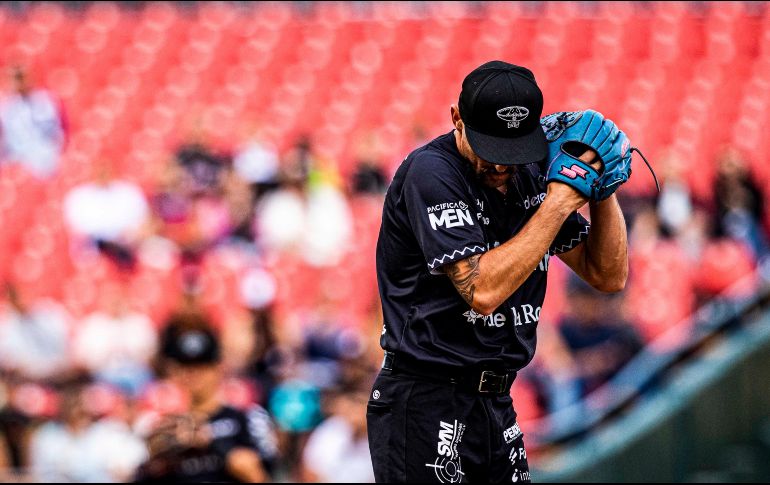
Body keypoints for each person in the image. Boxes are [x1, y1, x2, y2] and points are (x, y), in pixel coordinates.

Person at [370, 61, 629, 483]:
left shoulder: (527, 172)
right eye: (490, 149)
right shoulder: (431, 173)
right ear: (457, 118)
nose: (501, 166)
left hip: (495, 402)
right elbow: (482, 290)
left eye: (512, 151)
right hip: (425, 398)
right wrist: (561, 202)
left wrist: (601, 188)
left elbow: (607, 275)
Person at [135, 325, 278, 483]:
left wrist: (210, 441)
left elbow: (258, 476)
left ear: (218, 368)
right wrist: (156, 465)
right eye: (186, 367)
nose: (193, 374)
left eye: (201, 366)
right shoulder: (170, 428)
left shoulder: (246, 417)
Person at [0, 66, 65, 178]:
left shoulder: (44, 100)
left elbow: (57, 131)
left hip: (45, 156)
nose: (19, 83)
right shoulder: (6, 107)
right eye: (15, 79)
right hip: (17, 160)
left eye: (21, 78)